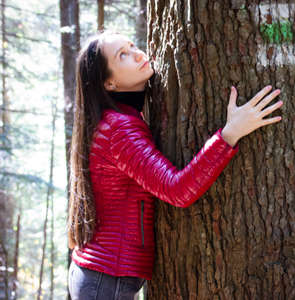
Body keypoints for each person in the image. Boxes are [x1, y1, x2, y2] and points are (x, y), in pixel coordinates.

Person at [67, 31, 283, 299]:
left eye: (132, 45)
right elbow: (176, 190)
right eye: (122, 55)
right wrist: (229, 134)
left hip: (102, 275)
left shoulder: (117, 120)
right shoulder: (119, 129)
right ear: (109, 83)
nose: (137, 53)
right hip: (105, 279)